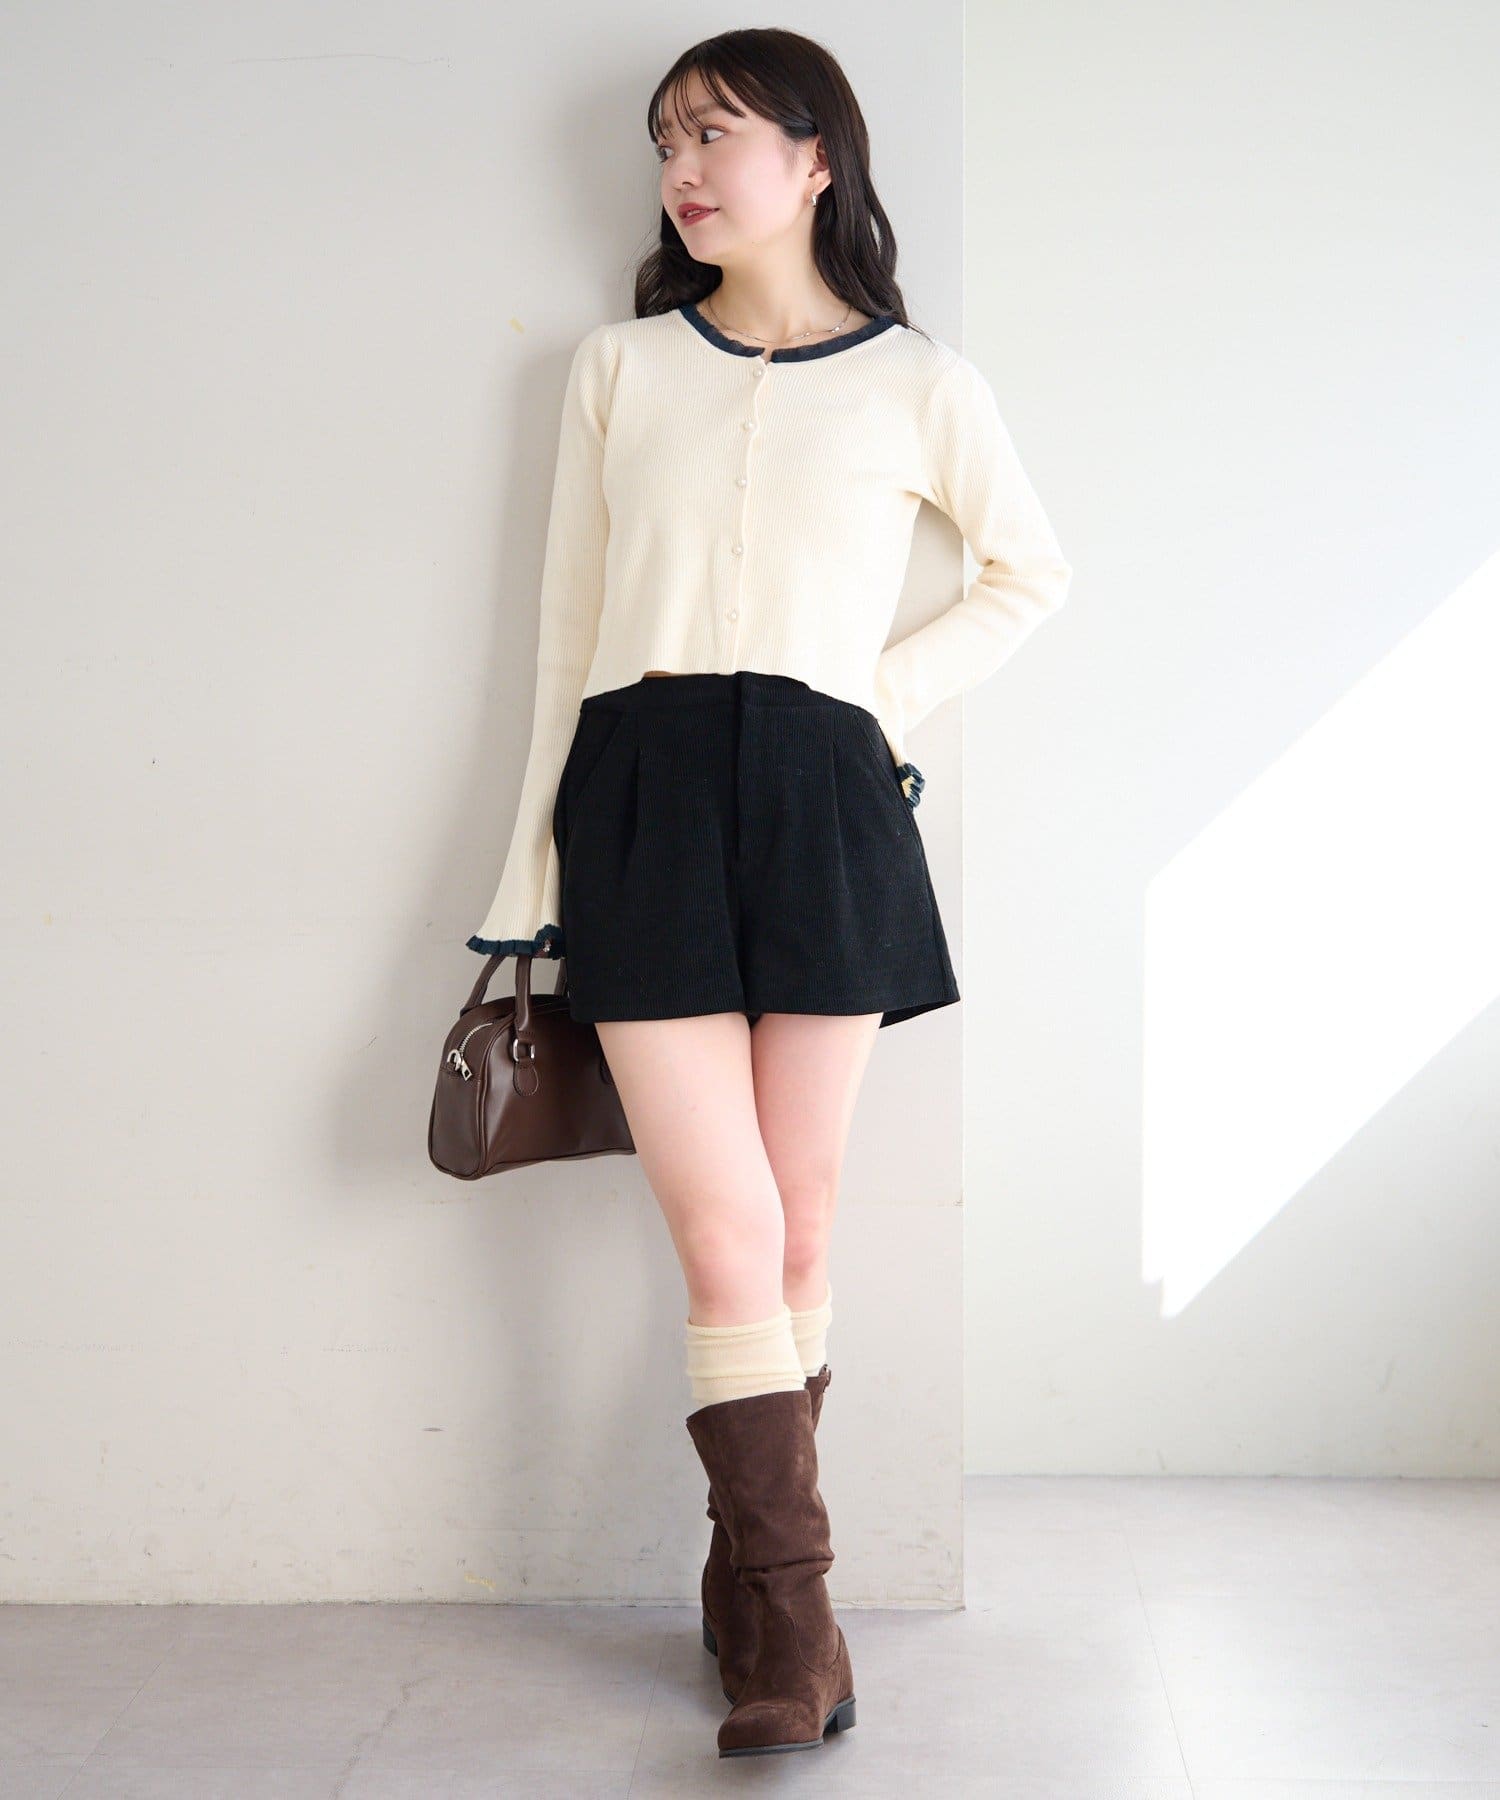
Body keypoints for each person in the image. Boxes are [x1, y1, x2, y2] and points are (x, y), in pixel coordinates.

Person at [465, 29, 1072, 1758]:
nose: (683, 169)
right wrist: (526, 872)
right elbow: (564, 641)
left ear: (817, 160)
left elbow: (1030, 573)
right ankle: (797, 1626)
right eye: (668, 140)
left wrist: (872, 698)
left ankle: (754, 1601)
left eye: (717, 134)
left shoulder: (923, 383)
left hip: (826, 799)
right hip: (641, 793)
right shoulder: (618, 369)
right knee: (725, 1228)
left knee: (799, 1222)